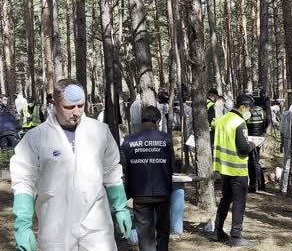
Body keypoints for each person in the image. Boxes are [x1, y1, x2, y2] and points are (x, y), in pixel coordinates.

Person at [10, 79, 132, 250]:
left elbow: (111, 172)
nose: (76, 112)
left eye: (81, 106)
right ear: (54, 103)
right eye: (69, 107)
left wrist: (120, 207)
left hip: (96, 223)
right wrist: (23, 225)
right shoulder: (36, 138)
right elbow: (23, 181)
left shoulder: (99, 132)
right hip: (56, 225)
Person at [122, 106, 174, 251]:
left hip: (140, 194)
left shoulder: (128, 141)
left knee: (144, 235)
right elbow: (172, 165)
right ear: (157, 121)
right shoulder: (166, 139)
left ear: (141, 120)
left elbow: (126, 168)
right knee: (163, 231)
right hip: (162, 191)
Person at [213, 94, 258, 247]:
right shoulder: (239, 123)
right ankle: (236, 236)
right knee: (239, 203)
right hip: (238, 170)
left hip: (224, 168)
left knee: (225, 199)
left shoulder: (221, 120)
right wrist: (252, 144)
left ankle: (217, 231)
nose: (250, 112)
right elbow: (244, 148)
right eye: (250, 109)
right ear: (243, 107)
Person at [246, 97, 268, 192]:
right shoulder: (262, 111)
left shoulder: (249, 112)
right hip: (260, 138)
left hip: (251, 138)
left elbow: (244, 124)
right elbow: (266, 123)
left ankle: (254, 185)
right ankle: (261, 183)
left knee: (252, 162)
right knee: (256, 161)